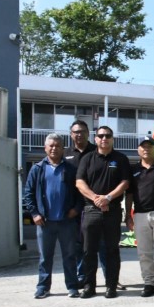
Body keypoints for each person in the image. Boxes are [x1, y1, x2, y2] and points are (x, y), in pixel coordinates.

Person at [75, 126, 131, 298]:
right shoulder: (87, 158)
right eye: (100, 136)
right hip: (91, 211)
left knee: (112, 250)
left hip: (112, 211)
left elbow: (125, 182)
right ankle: (89, 287)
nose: (104, 138)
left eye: (108, 135)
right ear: (96, 138)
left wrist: (108, 198)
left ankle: (111, 286)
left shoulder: (121, 159)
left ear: (112, 138)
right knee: (89, 251)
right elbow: (79, 182)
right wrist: (96, 199)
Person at [24, 133, 82, 299]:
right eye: (51, 146)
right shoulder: (37, 169)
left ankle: (72, 287)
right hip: (45, 222)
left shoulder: (71, 169)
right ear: (45, 148)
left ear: (63, 148)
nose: (54, 148)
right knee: (45, 257)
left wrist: (76, 209)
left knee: (69, 256)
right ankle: (43, 287)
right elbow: (29, 194)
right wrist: (35, 213)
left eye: (58, 146)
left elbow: (80, 193)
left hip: (66, 221)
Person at [125, 136, 154, 298]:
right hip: (140, 214)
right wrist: (127, 215)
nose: (146, 149)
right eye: (143, 146)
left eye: (149, 146)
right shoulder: (133, 170)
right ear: (138, 149)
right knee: (144, 252)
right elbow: (129, 194)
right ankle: (149, 283)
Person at [64, 120, 96, 285]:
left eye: (82, 131)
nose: (79, 134)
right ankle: (82, 275)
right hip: (74, 208)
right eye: (76, 132)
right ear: (71, 134)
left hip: (94, 205)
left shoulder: (96, 151)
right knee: (78, 245)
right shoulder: (65, 154)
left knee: (101, 244)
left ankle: (111, 277)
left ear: (88, 133)